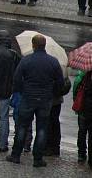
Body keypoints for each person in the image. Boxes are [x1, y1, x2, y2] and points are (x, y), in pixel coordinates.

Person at [6, 34, 64, 167]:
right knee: (42, 129)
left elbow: (16, 79)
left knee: (22, 127)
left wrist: (22, 91)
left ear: (33, 45)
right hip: (45, 99)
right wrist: (51, 92)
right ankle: (38, 158)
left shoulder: (26, 60)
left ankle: (16, 155)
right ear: (45, 46)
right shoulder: (53, 61)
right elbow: (60, 82)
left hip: (28, 97)